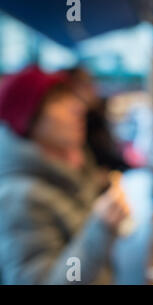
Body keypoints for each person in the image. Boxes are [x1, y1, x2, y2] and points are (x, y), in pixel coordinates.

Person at [0, 65, 129, 284]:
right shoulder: (19, 197)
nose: (79, 107)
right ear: (28, 119)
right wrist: (99, 229)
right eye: (58, 101)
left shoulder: (71, 166)